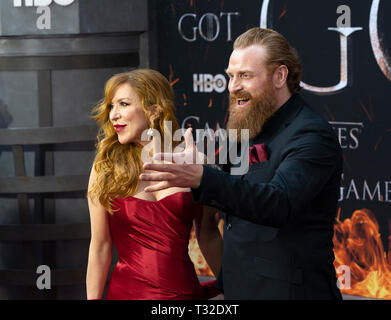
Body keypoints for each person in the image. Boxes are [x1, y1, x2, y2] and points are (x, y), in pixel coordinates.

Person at [139, 28, 343, 300]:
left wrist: (201, 176)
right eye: (231, 76)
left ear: (280, 76)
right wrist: (199, 168)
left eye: (245, 75)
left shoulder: (311, 134)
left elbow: (277, 203)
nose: (233, 86)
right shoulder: (246, 127)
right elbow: (230, 190)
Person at [86, 69, 222, 300]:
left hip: (184, 294)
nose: (113, 115)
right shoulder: (105, 166)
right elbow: (100, 247)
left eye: (123, 104)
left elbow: (208, 235)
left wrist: (236, 286)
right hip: (126, 293)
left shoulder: (192, 161)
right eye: (111, 106)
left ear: (154, 109)